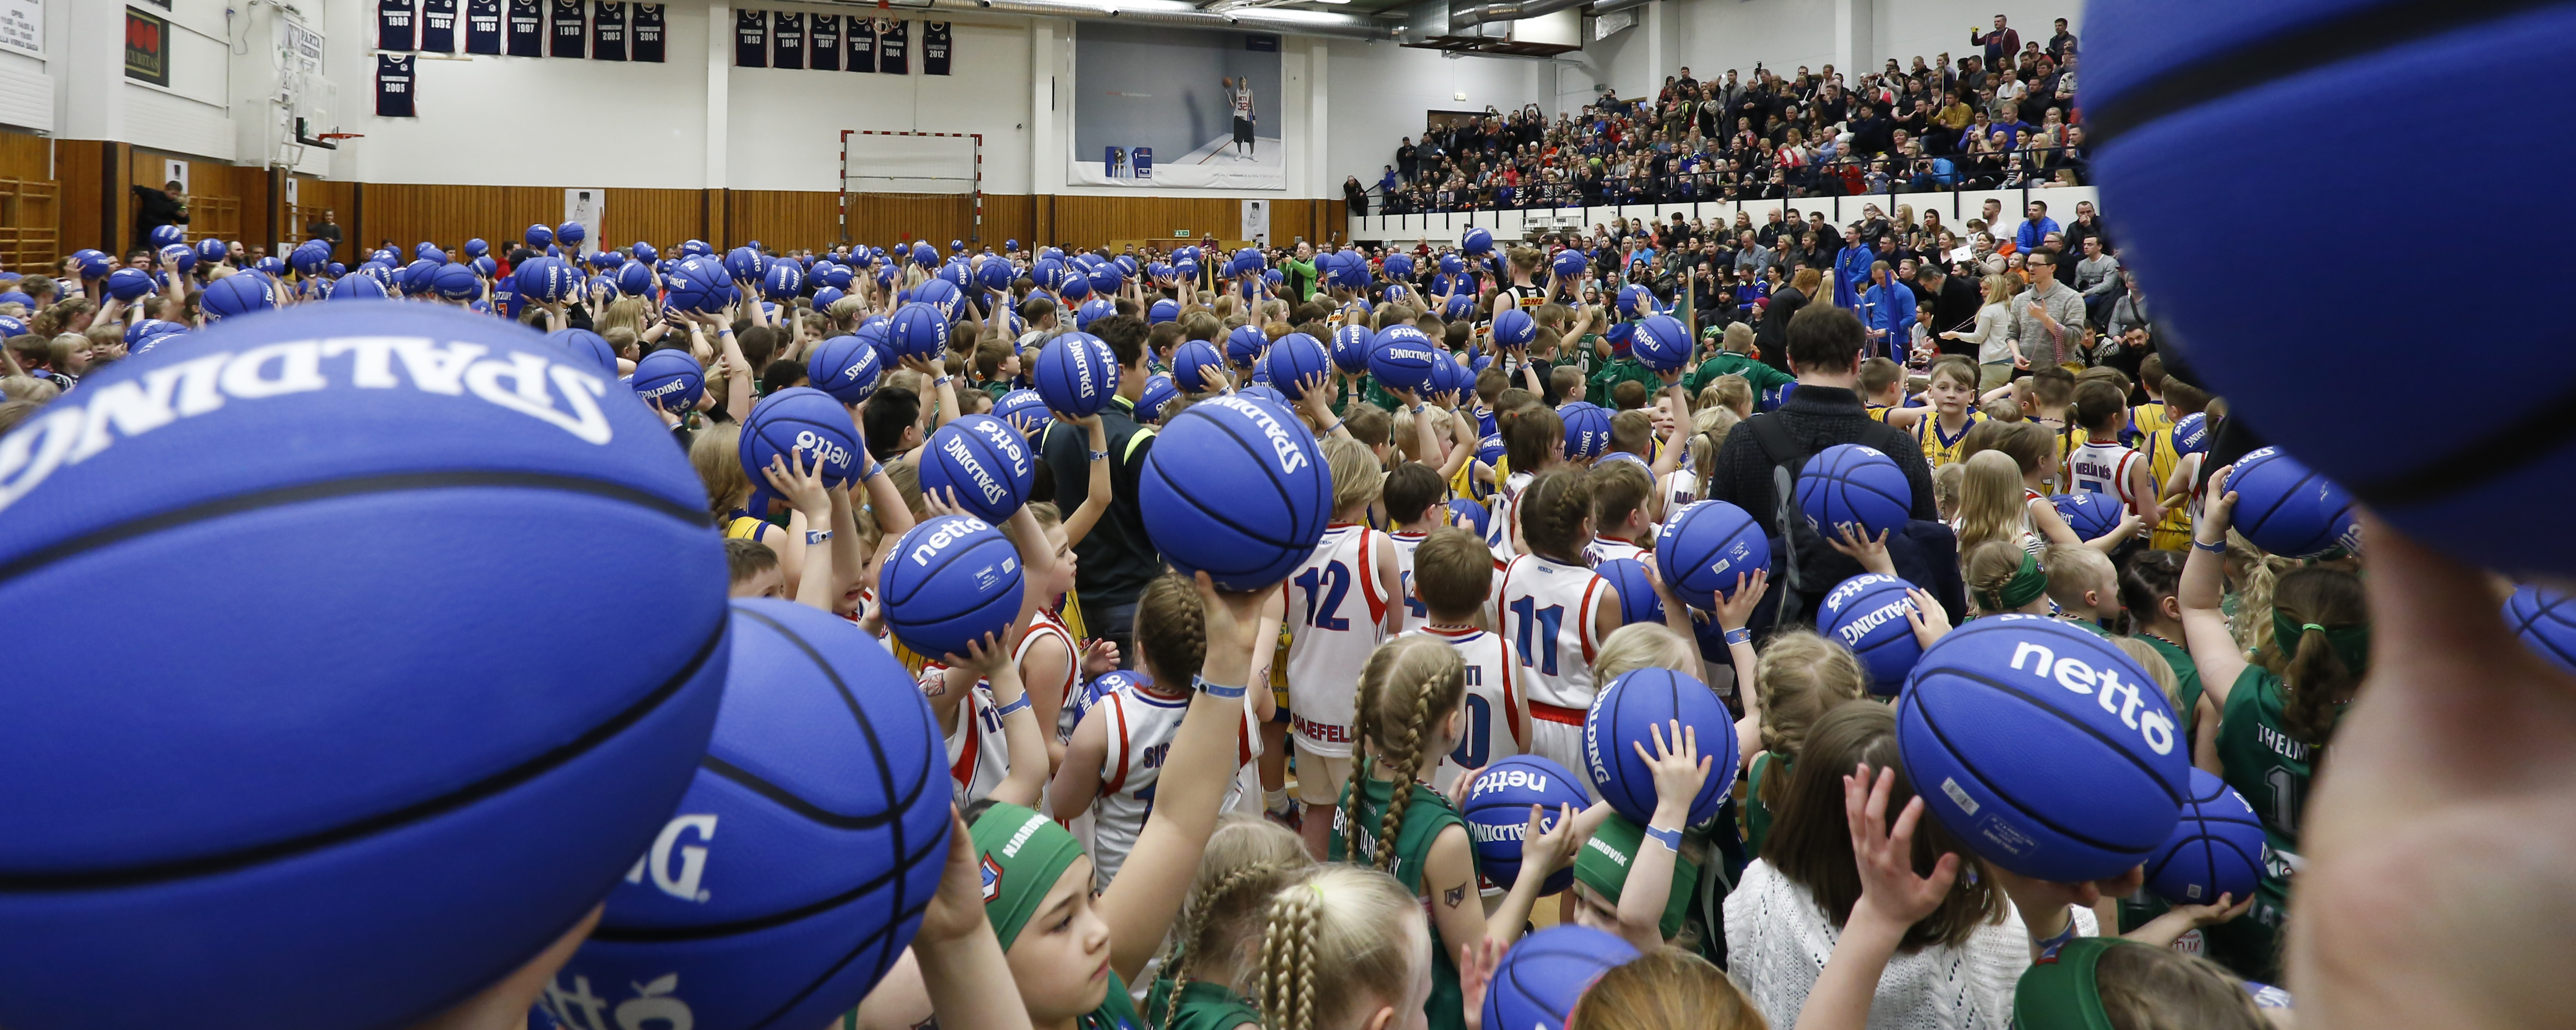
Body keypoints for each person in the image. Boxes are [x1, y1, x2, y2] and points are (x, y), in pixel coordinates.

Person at [1328, 633, 1582, 1030]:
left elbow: (1401, 852)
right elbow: (1480, 959)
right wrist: (1535, 869)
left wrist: (1442, 806)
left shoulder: (1357, 784)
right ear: (1452, 724)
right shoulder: (1444, 840)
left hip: (1365, 1000)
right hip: (1428, 1015)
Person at [2179, 463, 2370, 982]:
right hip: (2344, 924)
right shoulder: (2391, 727)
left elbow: (2197, 606)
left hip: (2247, 902)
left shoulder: (2242, 697)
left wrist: (2212, 527)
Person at [1284, 437, 1403, 855]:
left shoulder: (1293, 545)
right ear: (1368, 488)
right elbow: (1396, 628)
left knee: (1317, 809)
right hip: (1354, 704)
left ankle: (1313, 890)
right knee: (1367, 822)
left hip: (1306, 698)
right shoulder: (1376, 545)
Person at [1038, 315, 1158, 663]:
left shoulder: (1053, 430)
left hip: (1071, 599)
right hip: (1129, 599)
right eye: (1144, 364)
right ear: (1119, 372)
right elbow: (1158, 529)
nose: (1148, 374)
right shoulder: (1138, 439)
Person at [1495, 469, 1622, 788]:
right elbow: (1613, 679)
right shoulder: (1601, 593)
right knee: (1576, 816)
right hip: (1575, 727)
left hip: (1516, 718)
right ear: (1586, 526)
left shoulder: (1512, 570)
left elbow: (1501, 646)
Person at [2008, 251, 2087, 371]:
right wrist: (2016, 355)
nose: (2031, 269)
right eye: (2029, 264)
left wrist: (2045, 318)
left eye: (2036, 265)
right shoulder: (2020, 299)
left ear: (2052, 268)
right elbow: (2012, 334)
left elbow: (2074, 337)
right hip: (2024, 368)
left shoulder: (2072, 298)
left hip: (2058, 371)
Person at [131, 180, 189, 249]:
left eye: (177, 195)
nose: (175, 197)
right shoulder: (152, 194)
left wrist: (184, 216)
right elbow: (137, 188)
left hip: (164, 234)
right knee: (145, 251)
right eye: (173, 194)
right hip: (146, 231)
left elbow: (184, 221)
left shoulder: (176, 204)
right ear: (166, 189)